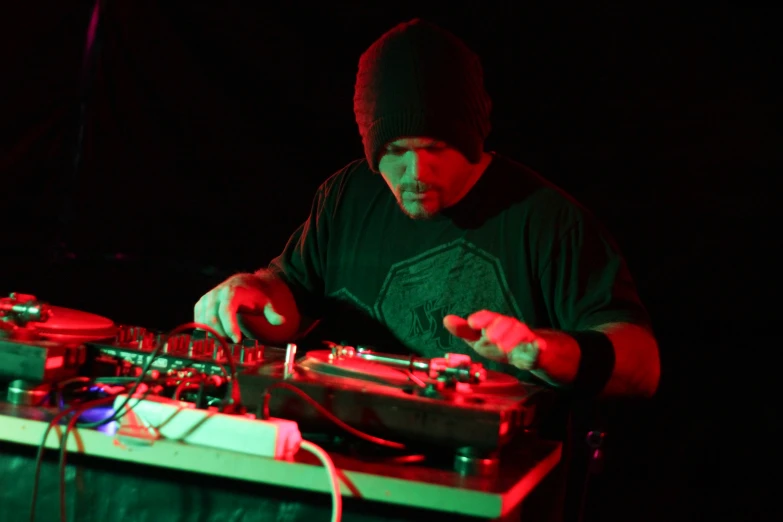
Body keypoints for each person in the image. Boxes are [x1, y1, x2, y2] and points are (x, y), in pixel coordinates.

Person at [195, 18, 659, 399]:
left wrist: (548, 352)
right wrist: (249, 292)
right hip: (344, 450)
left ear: (473, 138)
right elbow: (288, 305)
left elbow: (644, 363)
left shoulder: (548, 221)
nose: (415, 170)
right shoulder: (347, 195)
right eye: (395, 150)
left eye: (436, 146)